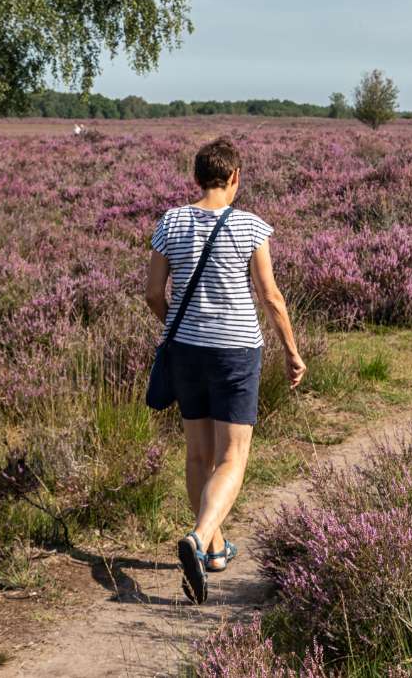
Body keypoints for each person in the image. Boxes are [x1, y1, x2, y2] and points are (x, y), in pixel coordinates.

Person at [144, 137, 305, 603]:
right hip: (236, 350)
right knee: (232, 457)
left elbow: (154, 292)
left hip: (186, 350)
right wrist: (292, 352)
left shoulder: (170, 221)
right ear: (235, 176)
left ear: (197, 178)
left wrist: (176, 323)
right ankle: (199, 538)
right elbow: (271, 297)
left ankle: (214, 551)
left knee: (198, 454)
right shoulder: (251, 226)